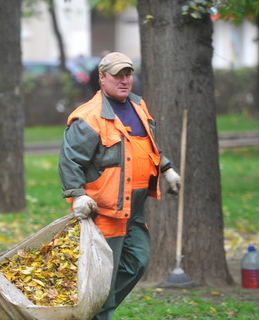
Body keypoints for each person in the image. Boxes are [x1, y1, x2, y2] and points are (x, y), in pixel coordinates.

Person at [58, 52, 181, 320]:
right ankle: (100, 312)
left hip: (134, 208)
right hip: (105, 210)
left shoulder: (138, 106)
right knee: (104, 275)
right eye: (117, 75)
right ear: (102, 78)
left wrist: (166, 167)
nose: (124, 80)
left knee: (138, 261)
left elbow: (146, 145)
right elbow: (70, 161)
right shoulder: (89, 117)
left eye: (128, 74)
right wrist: (77, 196)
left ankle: (96, 307)